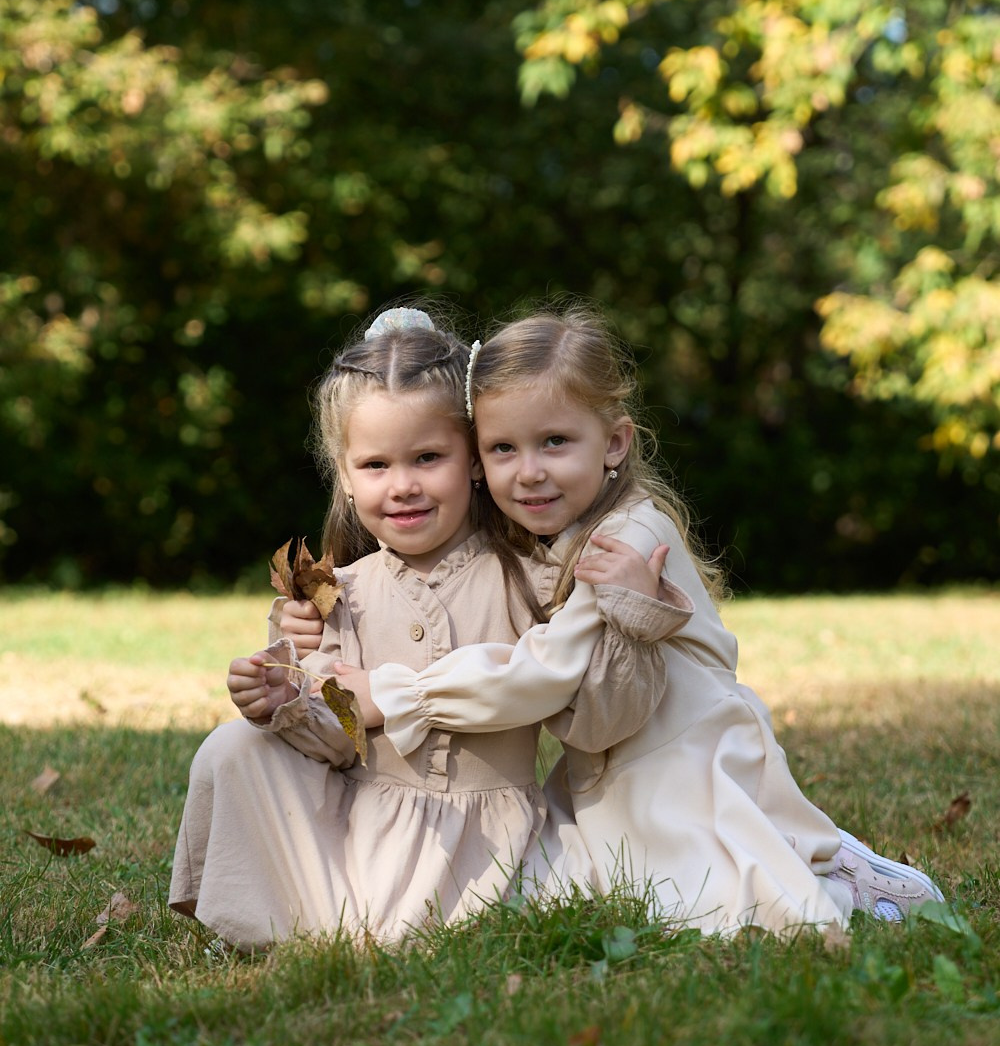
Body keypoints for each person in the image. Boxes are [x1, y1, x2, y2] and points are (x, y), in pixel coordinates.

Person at [322, 306, 943, 937]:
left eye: (555, 442)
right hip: (607, 765)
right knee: (549, 896)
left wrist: (399, 694)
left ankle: (846, 881)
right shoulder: (553, 539)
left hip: (683, 759)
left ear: (615, 442)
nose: (529, 470)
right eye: (503, 448)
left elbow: (543, 672)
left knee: (719, 910)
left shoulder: (625, 540)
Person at [169, 309, 686, 950]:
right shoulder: (341, 594)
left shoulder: (532, 578)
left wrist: (629, 623)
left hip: (486, 844)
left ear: (471, 459)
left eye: (428, 457)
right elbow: (337, 740)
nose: (404, 486)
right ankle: (300, 915)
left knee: (406, 932)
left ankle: (363, 927)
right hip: (363, 828)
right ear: (346, 476)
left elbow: (598, 721)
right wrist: (286, 704)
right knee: (233, 749)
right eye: (377, 465)